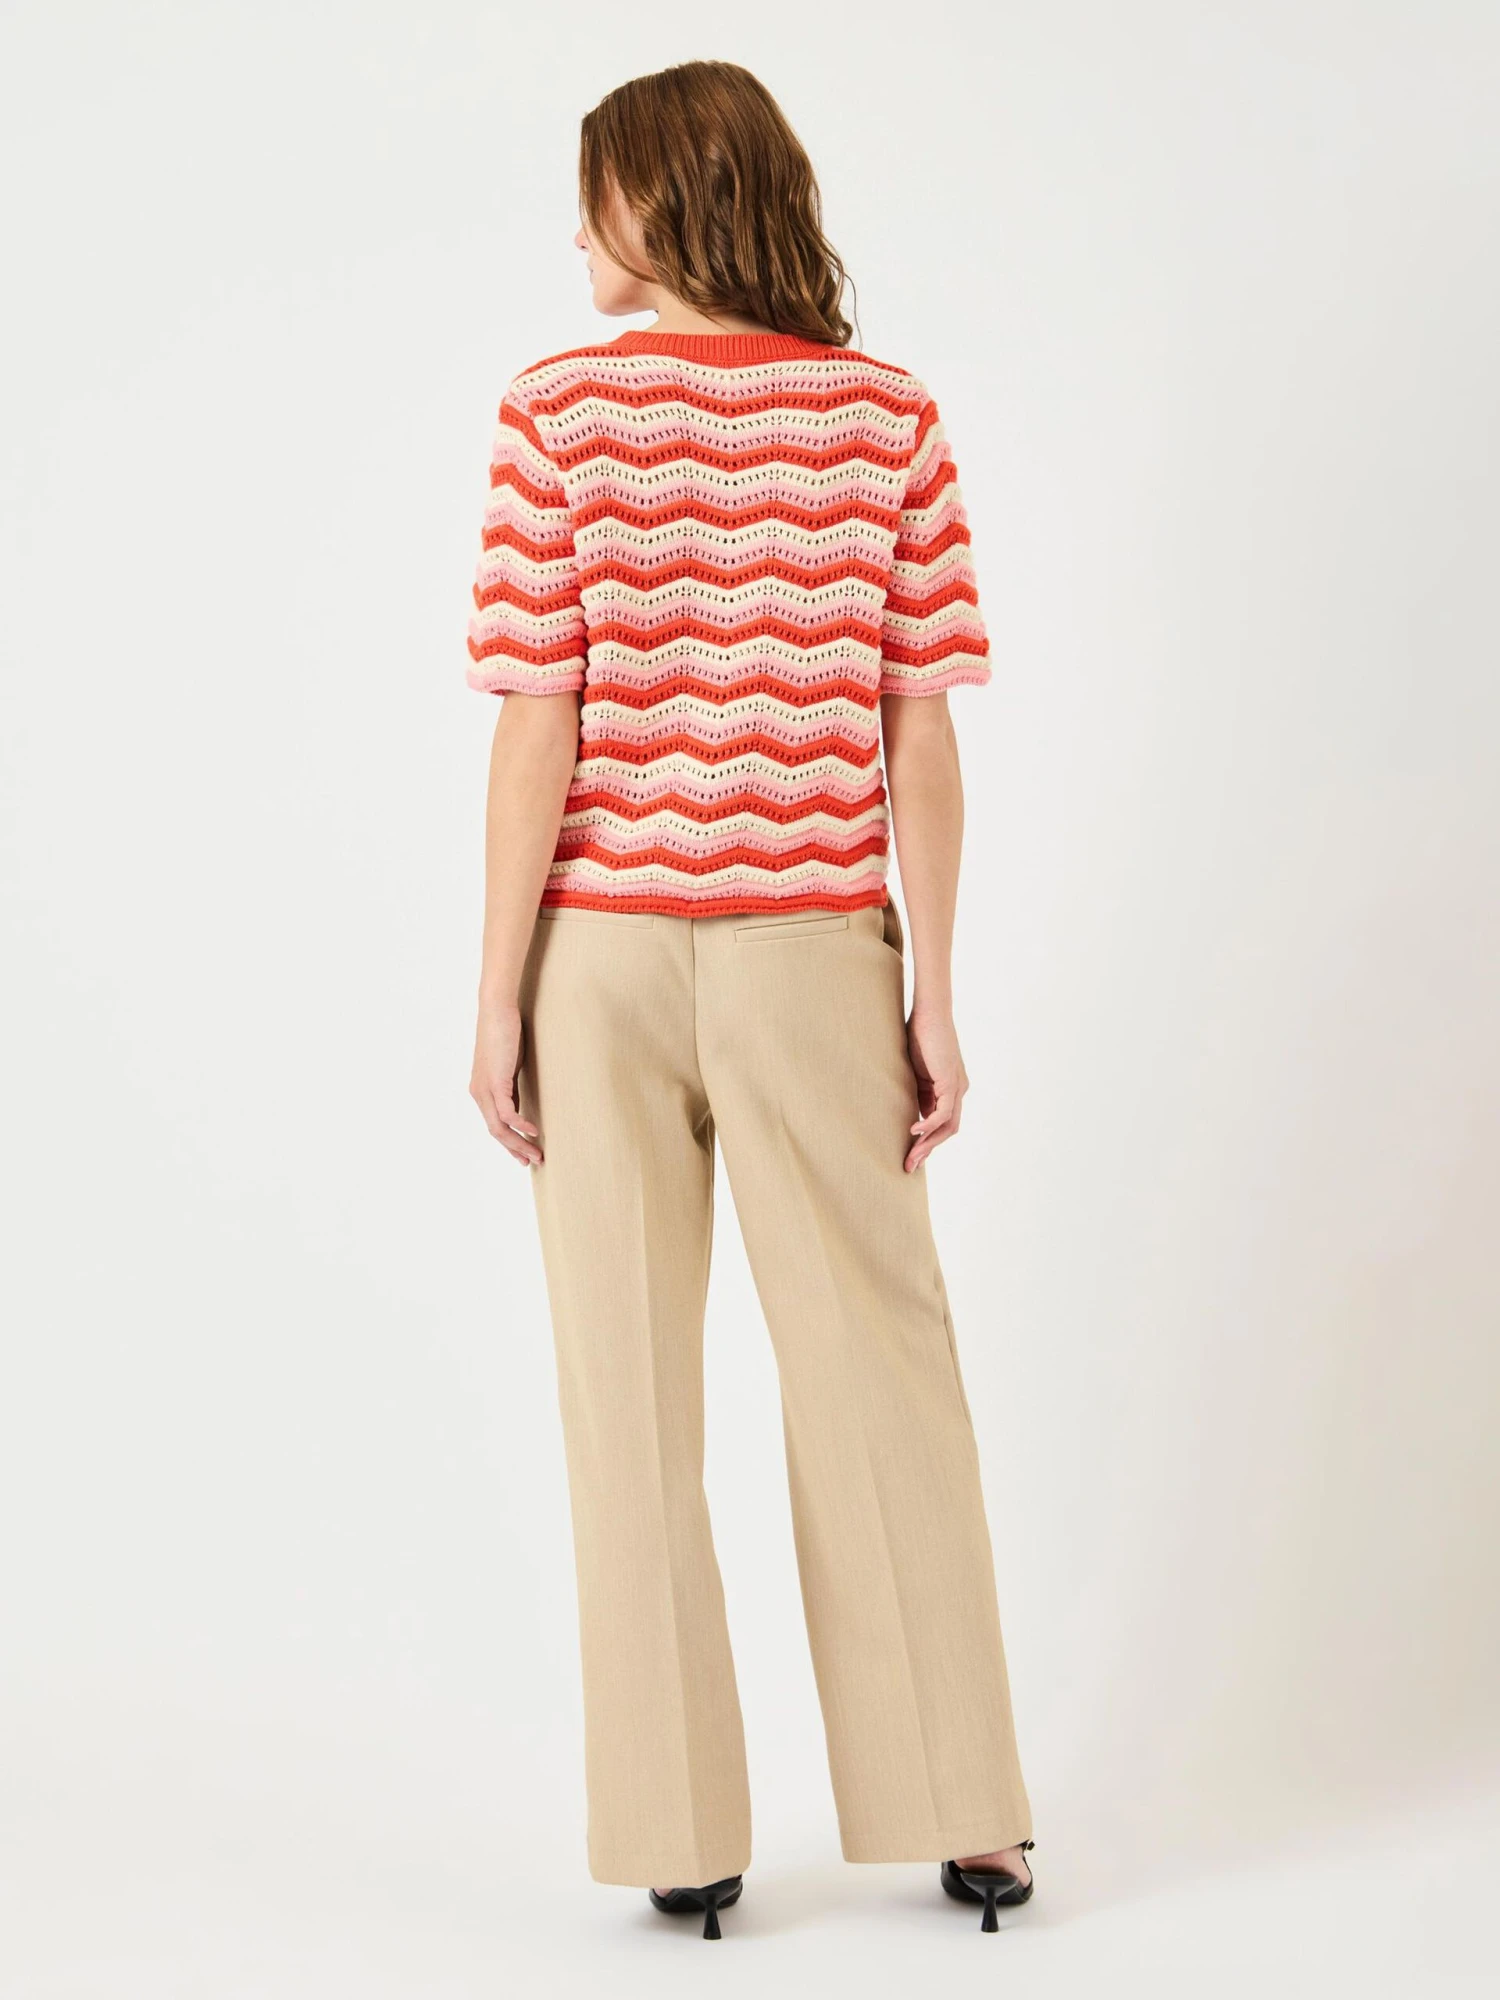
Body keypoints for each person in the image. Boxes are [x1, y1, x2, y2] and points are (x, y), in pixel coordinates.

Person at [465, 59, 1035, 1939]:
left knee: (623, 1391)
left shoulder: (555, 415)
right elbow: (918, 731)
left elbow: (538, 723)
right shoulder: (888, 419)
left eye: (595, 193)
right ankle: (968, 1808)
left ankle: (679, 1835)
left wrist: (498, 994)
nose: (574, 232)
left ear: (661, 197)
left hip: (603, 954)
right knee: (883, 1372)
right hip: (813, 952)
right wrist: (930, 989)